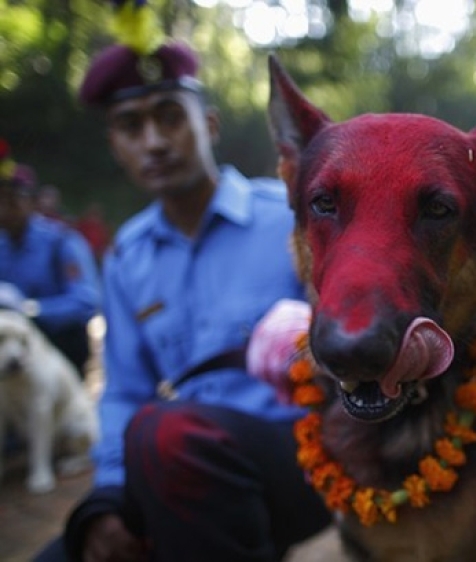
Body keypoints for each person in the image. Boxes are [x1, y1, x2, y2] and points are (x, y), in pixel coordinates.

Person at [33, 7, 330, 562]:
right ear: (115, 146)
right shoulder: (128, 258)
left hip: (300, 457)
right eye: (131, 127)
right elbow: (125, 390)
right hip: (175, 467)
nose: (154, 142)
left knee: (169, 435)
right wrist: (110, 495)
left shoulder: (292, 219)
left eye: (170, 117)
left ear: (209, 125)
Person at [0, 142, 101, 377]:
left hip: (59, 355)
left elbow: (86, 301)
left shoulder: (60, 242)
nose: (3, 210)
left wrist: (31, 309)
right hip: (10, 358)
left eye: (11, 201)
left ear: (31, 202)